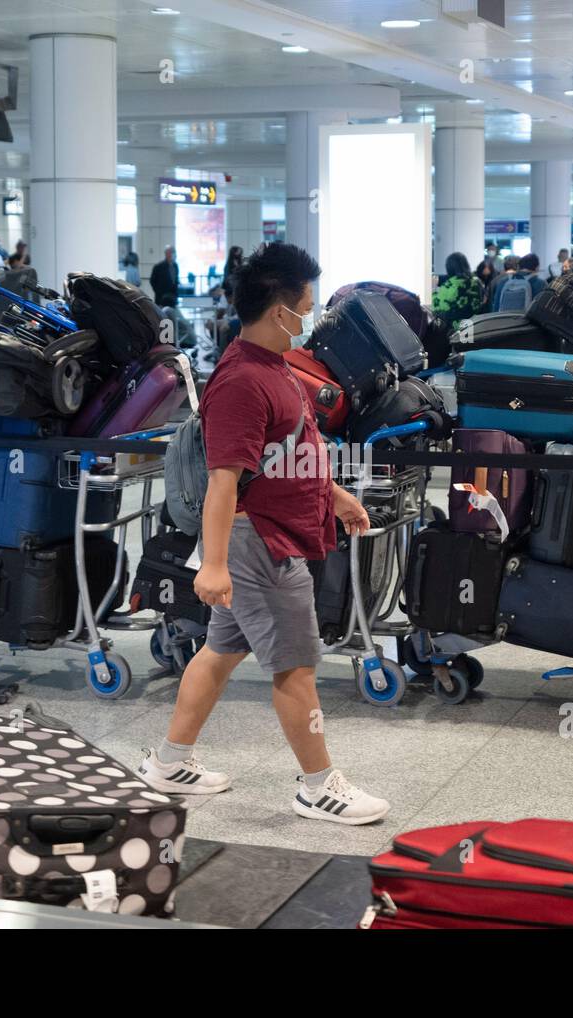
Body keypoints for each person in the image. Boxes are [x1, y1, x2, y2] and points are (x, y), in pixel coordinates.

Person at [137, 242, 389, 826]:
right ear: (280, 311)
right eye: (308, 304)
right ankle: (319, 786)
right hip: (261, 546)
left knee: (220, 651)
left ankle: (169, 763)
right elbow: (225, 481)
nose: (313, 315)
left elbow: (291, 450)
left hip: (269, 536)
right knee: (296, 666)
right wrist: (214, 562)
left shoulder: (274, 366)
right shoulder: (241, 382)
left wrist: (335, 495)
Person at [431, 252, 487, 327]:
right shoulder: (477, 282)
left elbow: (436, 307)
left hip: (455, 328)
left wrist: (433, 290)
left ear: (449, 268)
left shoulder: (451, 285)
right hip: (475, 325)